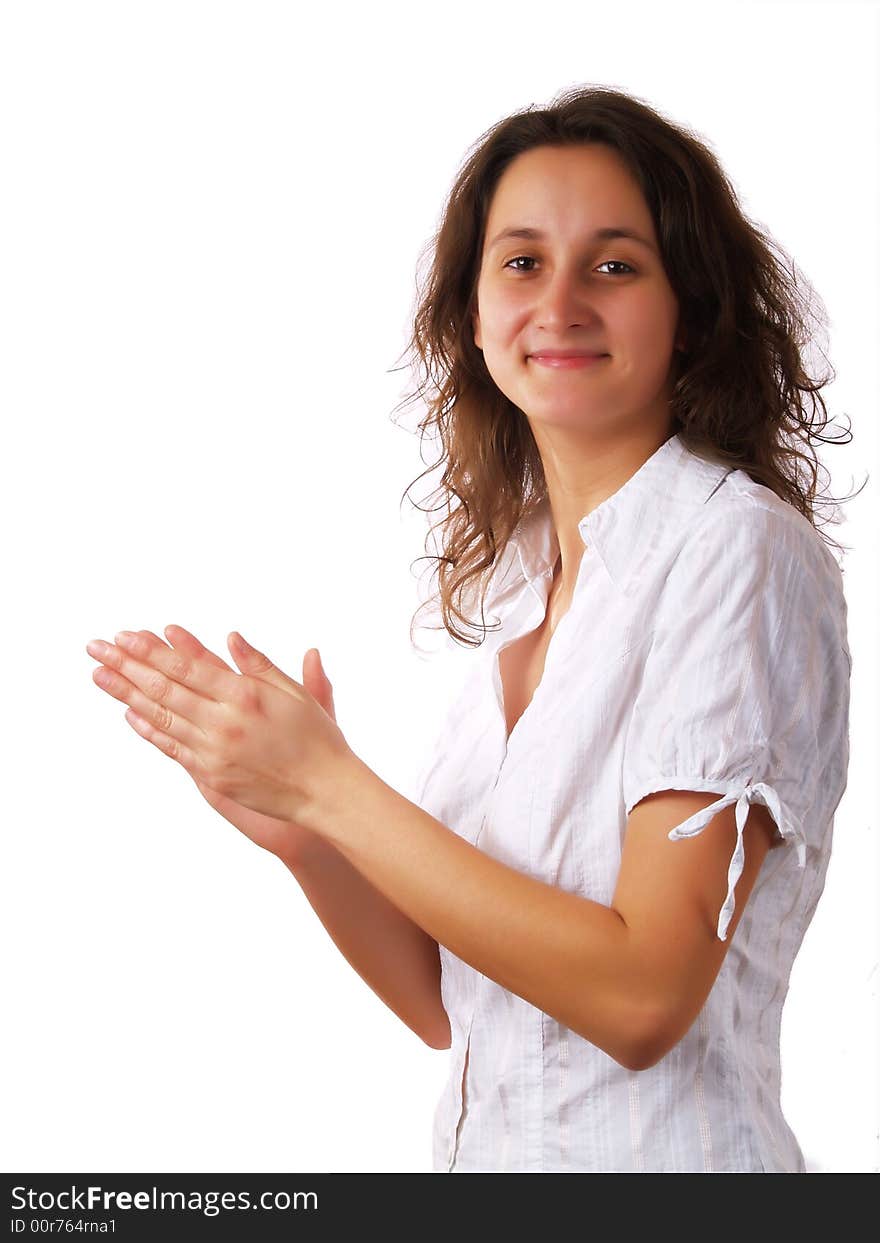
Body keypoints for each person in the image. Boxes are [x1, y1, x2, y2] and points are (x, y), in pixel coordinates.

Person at [86, 85, 854, 1173]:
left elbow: (641, 998)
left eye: (616, 263)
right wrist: (306, 829)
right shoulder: (529, 604)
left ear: (693, 306)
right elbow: (456, 1005)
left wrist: (329, 784)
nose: (562, 302)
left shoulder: (738, 552)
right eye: (523, 261)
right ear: (473, 313)